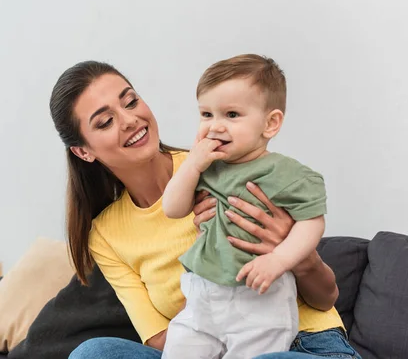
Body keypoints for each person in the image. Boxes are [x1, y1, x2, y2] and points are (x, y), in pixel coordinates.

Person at [49, 60, 361, 358]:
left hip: (306, 343)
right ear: (83, 151)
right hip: (209, 346)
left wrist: (291, 255)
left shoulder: (227, 164)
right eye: (106, 121)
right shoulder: (106, 234)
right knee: (93, 354)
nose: (130, 120)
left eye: (130, 102)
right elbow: (159, 338)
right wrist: (213, 306)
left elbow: (326, 298)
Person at [161, 54, 328, 358]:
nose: (215, 126)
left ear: (270, 123)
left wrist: (278, 259)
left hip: (259, 299)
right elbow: (172, 208)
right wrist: (192, 165)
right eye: (206, 114)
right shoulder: (204, 166)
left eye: (232, 115)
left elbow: (312, 223)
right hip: (202, 298)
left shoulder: (288, 174)